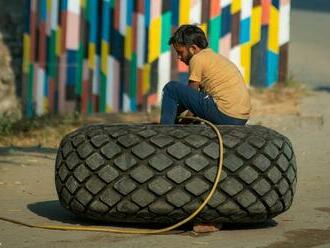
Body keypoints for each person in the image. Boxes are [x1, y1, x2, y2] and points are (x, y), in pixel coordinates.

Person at [160, 24, 251, 125]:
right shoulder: (213, 57)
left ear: (193, 49)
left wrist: (179, 117)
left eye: (180, 52)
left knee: (171, 88)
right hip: (240, 118)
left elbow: (191, 95)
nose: (179, 57)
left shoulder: (197, 59)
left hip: (225, 113)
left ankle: (165, 130)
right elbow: (196, 102)